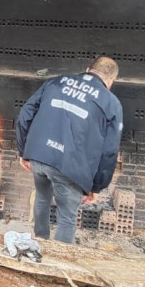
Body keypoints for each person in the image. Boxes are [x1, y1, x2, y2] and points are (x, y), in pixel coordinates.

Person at [16, 56, 123, 244]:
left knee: (42, 197)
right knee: (66, 218)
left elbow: (25, 114)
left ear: (88, 69)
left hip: (40, 157)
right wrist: (97, 186)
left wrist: (24, 150)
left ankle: (40, 242)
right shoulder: (111, 102)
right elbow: (109, 150)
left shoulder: (55, 82)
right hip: (70, 168)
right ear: (111, 80)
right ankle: (57, 261)